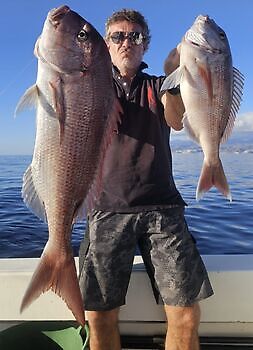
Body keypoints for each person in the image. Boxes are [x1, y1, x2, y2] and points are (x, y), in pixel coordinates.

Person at [79, 9, 213, 350]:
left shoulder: (159, 86)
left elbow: (176, 117)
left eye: (135, 36)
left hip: (163, 210)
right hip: (106, 210)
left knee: (185, 315)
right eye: (118, 36)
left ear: (145, 45)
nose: (127, 42)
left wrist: (175, 71)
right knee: (99, 317)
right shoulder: (90, 88)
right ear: (105, 45)